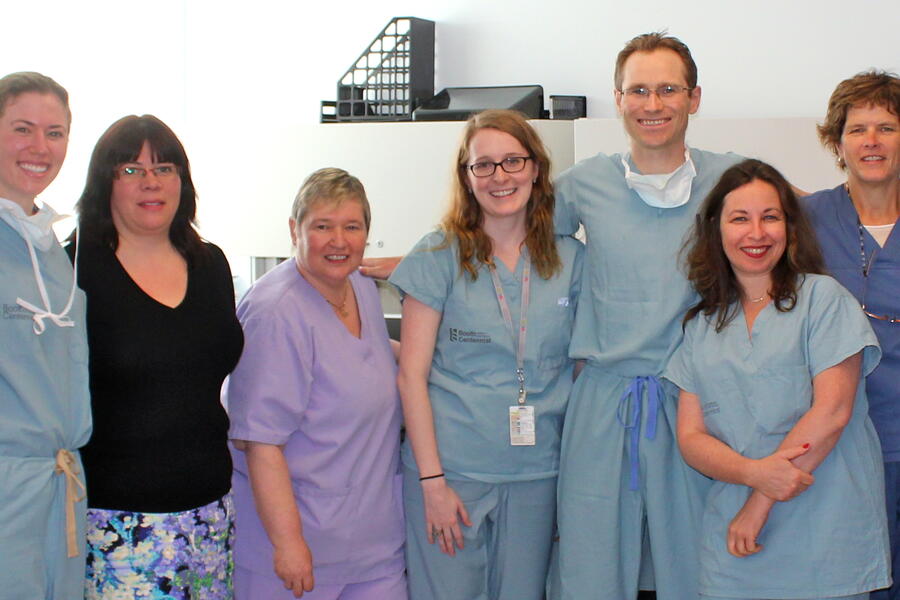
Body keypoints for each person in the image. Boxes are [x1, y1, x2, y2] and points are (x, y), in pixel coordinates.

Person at [551, 32, 744, 600]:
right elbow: (503, 235)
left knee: (695, 566)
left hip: (693, 403)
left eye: (667, 89)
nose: (653, 104)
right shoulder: (584, 184)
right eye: (639, 90)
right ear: (617, 99)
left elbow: (809, 221)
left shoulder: (731, 179)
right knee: (592, 564)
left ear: (694, 97)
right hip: (604, 401)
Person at [665, 158, 890, 599]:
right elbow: (691, 437)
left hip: (823, 533)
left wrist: (760, 500)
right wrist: (753, 474)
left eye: (770, 217)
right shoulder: (703, 324)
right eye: (740, 219)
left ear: (790, 228)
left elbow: (832, 412)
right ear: (716, 229)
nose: (756, 233)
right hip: (736, 545)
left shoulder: (823, 300)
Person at [389, 109, 584, 600]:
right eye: (484, 165)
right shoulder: (437, 256)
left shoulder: (570, 259)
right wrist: (432, 482)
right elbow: (411, 377)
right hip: (452, 472)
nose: (501, 177)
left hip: (537, 473)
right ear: (467, 176)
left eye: (513, 161)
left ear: (536, 168)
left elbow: (580, 368)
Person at [72, 115, 244, 599]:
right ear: (104, 182)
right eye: (130, 169)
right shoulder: (74, 269)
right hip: (116, 525)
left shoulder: (210, 265)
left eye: (164, 167)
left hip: (210, 514)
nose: (150, 181)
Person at [226, 168, 406, 599]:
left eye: (352, 226)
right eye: (322, 226)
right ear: (295, 230)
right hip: (297, 553)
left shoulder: (359, 285)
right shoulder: (276, 313)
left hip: (373, 545)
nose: (339, 241)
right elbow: (260, 441)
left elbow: (373, 359)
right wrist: (289, 545)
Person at [801, 70, 900, 600]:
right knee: (852, 577)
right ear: (837, 142)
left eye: (886, 127)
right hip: (836, 437)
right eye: (857, 128)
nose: (872, 141)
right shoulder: (805, 219)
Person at [0, 71, 91, 600]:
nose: (40, 147)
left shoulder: (51, 247)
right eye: (23, 129)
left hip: (62, 486)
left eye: (54, 133)